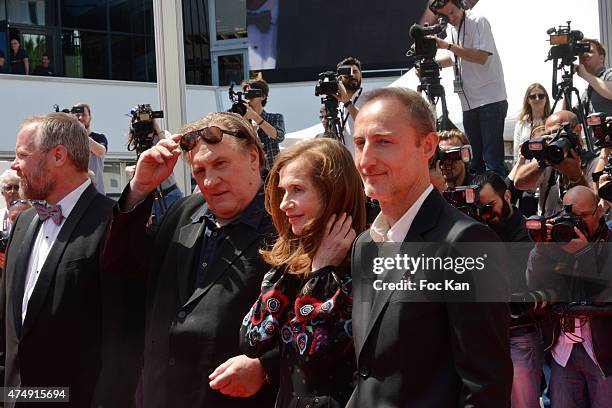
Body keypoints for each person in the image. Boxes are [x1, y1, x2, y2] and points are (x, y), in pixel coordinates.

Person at [348, 87, 512, 407]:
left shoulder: (465, 244)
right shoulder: (364, 246)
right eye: (359, 143)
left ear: (427, 146)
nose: (366, 159)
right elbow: (372, 372)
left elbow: (485, 389)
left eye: (383, 141)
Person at [102, 112, 278, 408]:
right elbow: (120, 263)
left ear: (253, 157)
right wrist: (140, 188)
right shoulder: (183, 213)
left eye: (220, 164)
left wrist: (266, 368)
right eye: (199, 171)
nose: (210, 180)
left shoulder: (286, 223)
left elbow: (317, 320)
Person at [0, 113, 141, 408]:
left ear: (58, 156)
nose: (14, 165)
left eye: (22, 155)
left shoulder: (112, 225)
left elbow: (123, 343)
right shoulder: (24, 223)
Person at [240, 138, 365, 407]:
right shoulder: (292, 263)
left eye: (297, 189)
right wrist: (299, 267)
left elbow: (308, 351)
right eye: (283, 191)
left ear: (333, 193)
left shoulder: (364, 262)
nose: (284, 203)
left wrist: (321, 271)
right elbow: (253, 340)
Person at [527, 186, 612, 408]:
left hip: (604, 353)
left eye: (584, 216)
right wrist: (541, 249)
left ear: (599, 211)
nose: (578, 222)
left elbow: (603, 295)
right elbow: (534, 283)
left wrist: (584, 254)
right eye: (573, 216)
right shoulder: (557, 238)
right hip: (562, 351)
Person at [474, 171, 546, 408]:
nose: (485, 214)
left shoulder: (529, 233)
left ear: (507, 195)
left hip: (519, 336)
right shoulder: (476, 233)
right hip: (485, 338)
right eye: (479, 209)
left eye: (490, 205)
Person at [429, 0, 508, 176]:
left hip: (490, 100)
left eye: (453, 11)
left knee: (492, 162)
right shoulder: (451, 29)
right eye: (446, 15)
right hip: (468, 103)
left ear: (459, 4)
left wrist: (448, 46)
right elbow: (455, 57)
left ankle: (499, 201)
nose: (452, 17)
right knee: (475, 162)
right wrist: (433, 65)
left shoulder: (479, 20)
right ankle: (479, 200)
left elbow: (481, 57)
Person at [514, 110, 598, 217]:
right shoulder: (546, 159)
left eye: (558, 133)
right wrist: (542, 161)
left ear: (578, 130)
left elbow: (595, 208)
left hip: (580, 228)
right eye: (549, 135)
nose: (554, 139)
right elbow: (520, 184)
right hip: (549, 227)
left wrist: (576, 177)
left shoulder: (594, 162)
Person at [241, 78, 285, 169]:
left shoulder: (275, 118)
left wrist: (255, 117)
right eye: (246, 94)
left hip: (271, 171)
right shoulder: (240, 119)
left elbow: (279, 136)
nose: (249, 97)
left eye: (252, 93)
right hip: (249, 170)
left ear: (263, 96)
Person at [72, 103, 108, 194]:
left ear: (90, 117)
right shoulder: (68, 139)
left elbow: (100, 152)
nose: (80, 118)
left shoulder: (99, 137)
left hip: (96, 192)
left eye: (83, 115)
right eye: (77, 115)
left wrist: (82, 134)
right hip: (75, 192)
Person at [514, 83, 552, 162]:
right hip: (525, 169)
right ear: (528, 100)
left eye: (541, 96)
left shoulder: (553, 122)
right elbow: (516, 152)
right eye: (533, 96)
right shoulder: (521, 124)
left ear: (546, 99)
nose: (537, 99)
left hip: (546, 169)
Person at [576, 38, 612, 116]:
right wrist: (568, 80)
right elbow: (569, 118)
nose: (584, 54)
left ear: (601, 58)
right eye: (581, 53)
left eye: (589, 51)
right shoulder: (586, 93)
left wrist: (585, 75)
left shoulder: (609, 74)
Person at [337, 56, 363, 157]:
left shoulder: (368, 100)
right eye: (348, 72)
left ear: (361, 75)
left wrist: (348, 103)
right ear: (340, 77)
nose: (352, 75)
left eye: (355, 71)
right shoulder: (338, 105)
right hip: (345, 166)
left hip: (361, 164)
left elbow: (365, 123)